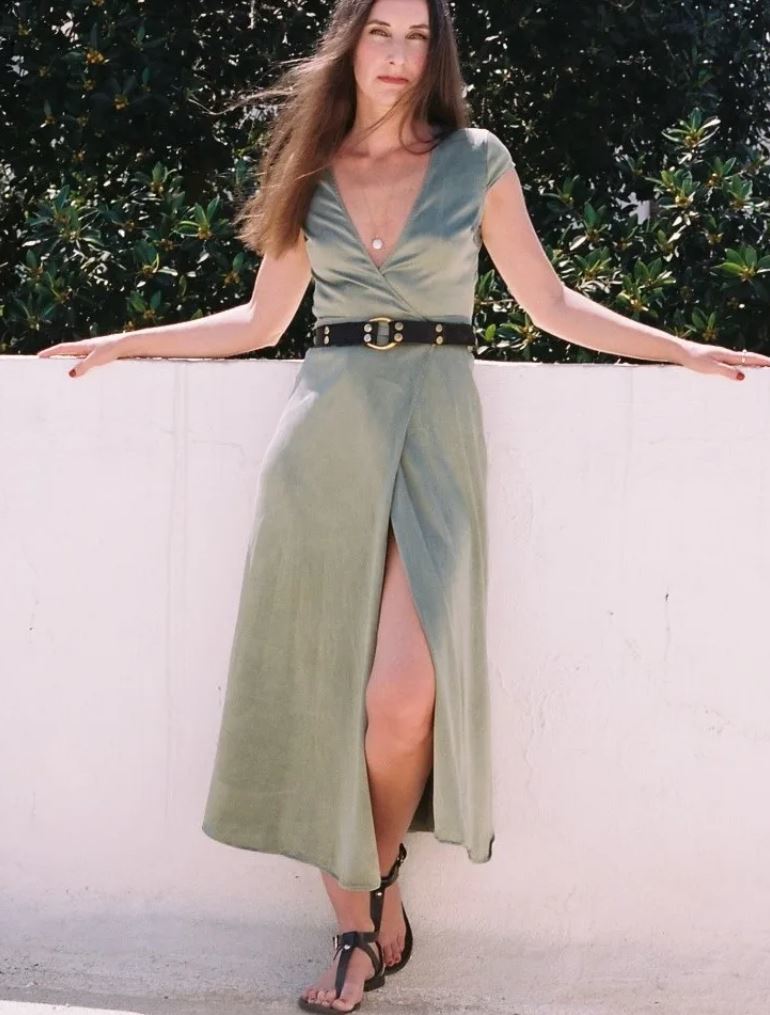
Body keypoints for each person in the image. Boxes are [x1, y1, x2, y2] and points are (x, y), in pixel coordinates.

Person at [37, 0, 770, 1011]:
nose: (397, 54)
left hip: (434, 429)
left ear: (437, 53)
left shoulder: (475, 159)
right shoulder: (313, 165)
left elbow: (549, 303)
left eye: (417, 36)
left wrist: (681, 349)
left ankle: (377, 885)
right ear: (351, 44)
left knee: (400, 699)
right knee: (316, 694)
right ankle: (355, 933)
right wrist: (124, 342)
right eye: (380, 32)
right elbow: (262, 321)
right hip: (324, 438)